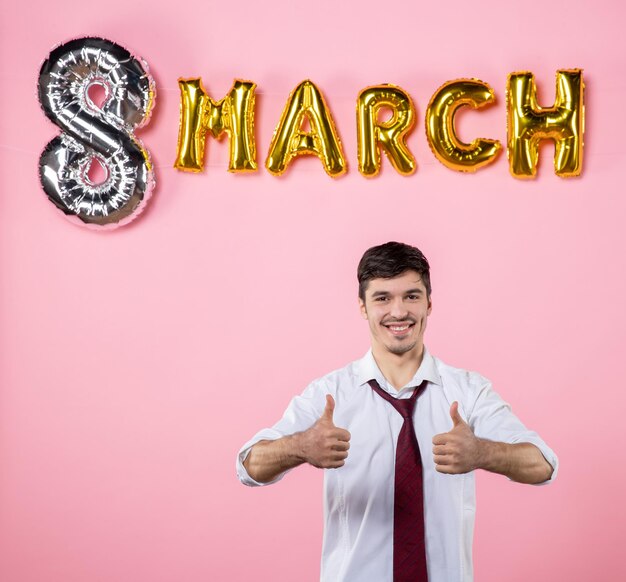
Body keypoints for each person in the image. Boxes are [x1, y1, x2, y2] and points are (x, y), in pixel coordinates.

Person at [236, 241, 557, 582]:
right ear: (362, 307)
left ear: (429, 304)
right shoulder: (330, 394)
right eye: (382, 298)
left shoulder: (469, 392)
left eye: (411, 296)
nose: (399, 311)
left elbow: (543, 465)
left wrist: (482, 452)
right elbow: (248, 466)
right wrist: (300, 447)